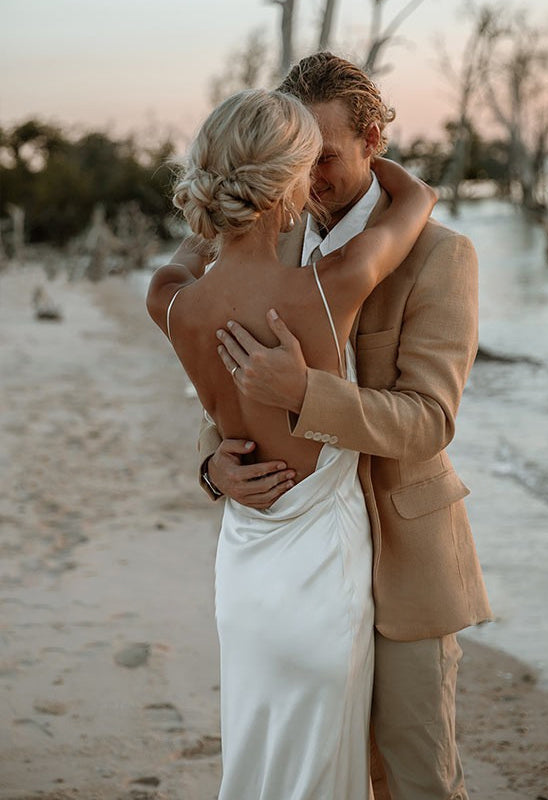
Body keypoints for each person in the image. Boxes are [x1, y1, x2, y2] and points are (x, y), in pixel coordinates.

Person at [196, 54, 493, 800]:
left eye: (324, 157)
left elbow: (430, 421)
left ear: (372, 140)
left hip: (405, 566)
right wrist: (213, 465)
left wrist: (308, 394)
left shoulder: (439, 255)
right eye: (298, 159)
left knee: (416, 780)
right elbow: (222, 388)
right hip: (299, 572)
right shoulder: (270, 241)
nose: (309, 178)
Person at [146, 88, 436, 800]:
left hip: (244, 577)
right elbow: (416, 201)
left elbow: (191, 254)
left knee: (256, 759)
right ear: (289, 188)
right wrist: (372, 152)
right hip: (321, 578)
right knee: (318, 773)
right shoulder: (331, 288)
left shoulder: (171, 299)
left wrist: (224, 212)